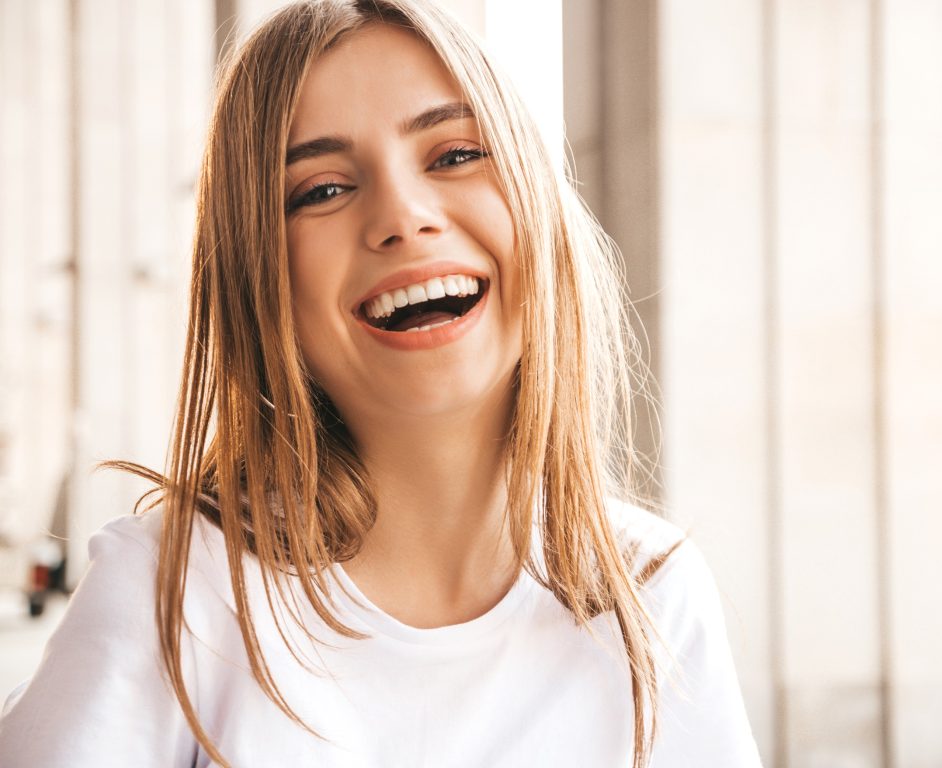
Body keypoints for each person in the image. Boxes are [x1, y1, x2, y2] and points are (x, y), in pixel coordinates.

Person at [0, 1, 762, 765]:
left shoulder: (651, 595)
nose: (402, 216)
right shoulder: (170, 597)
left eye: (456, 154)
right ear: (256, 278)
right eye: (323, 190)